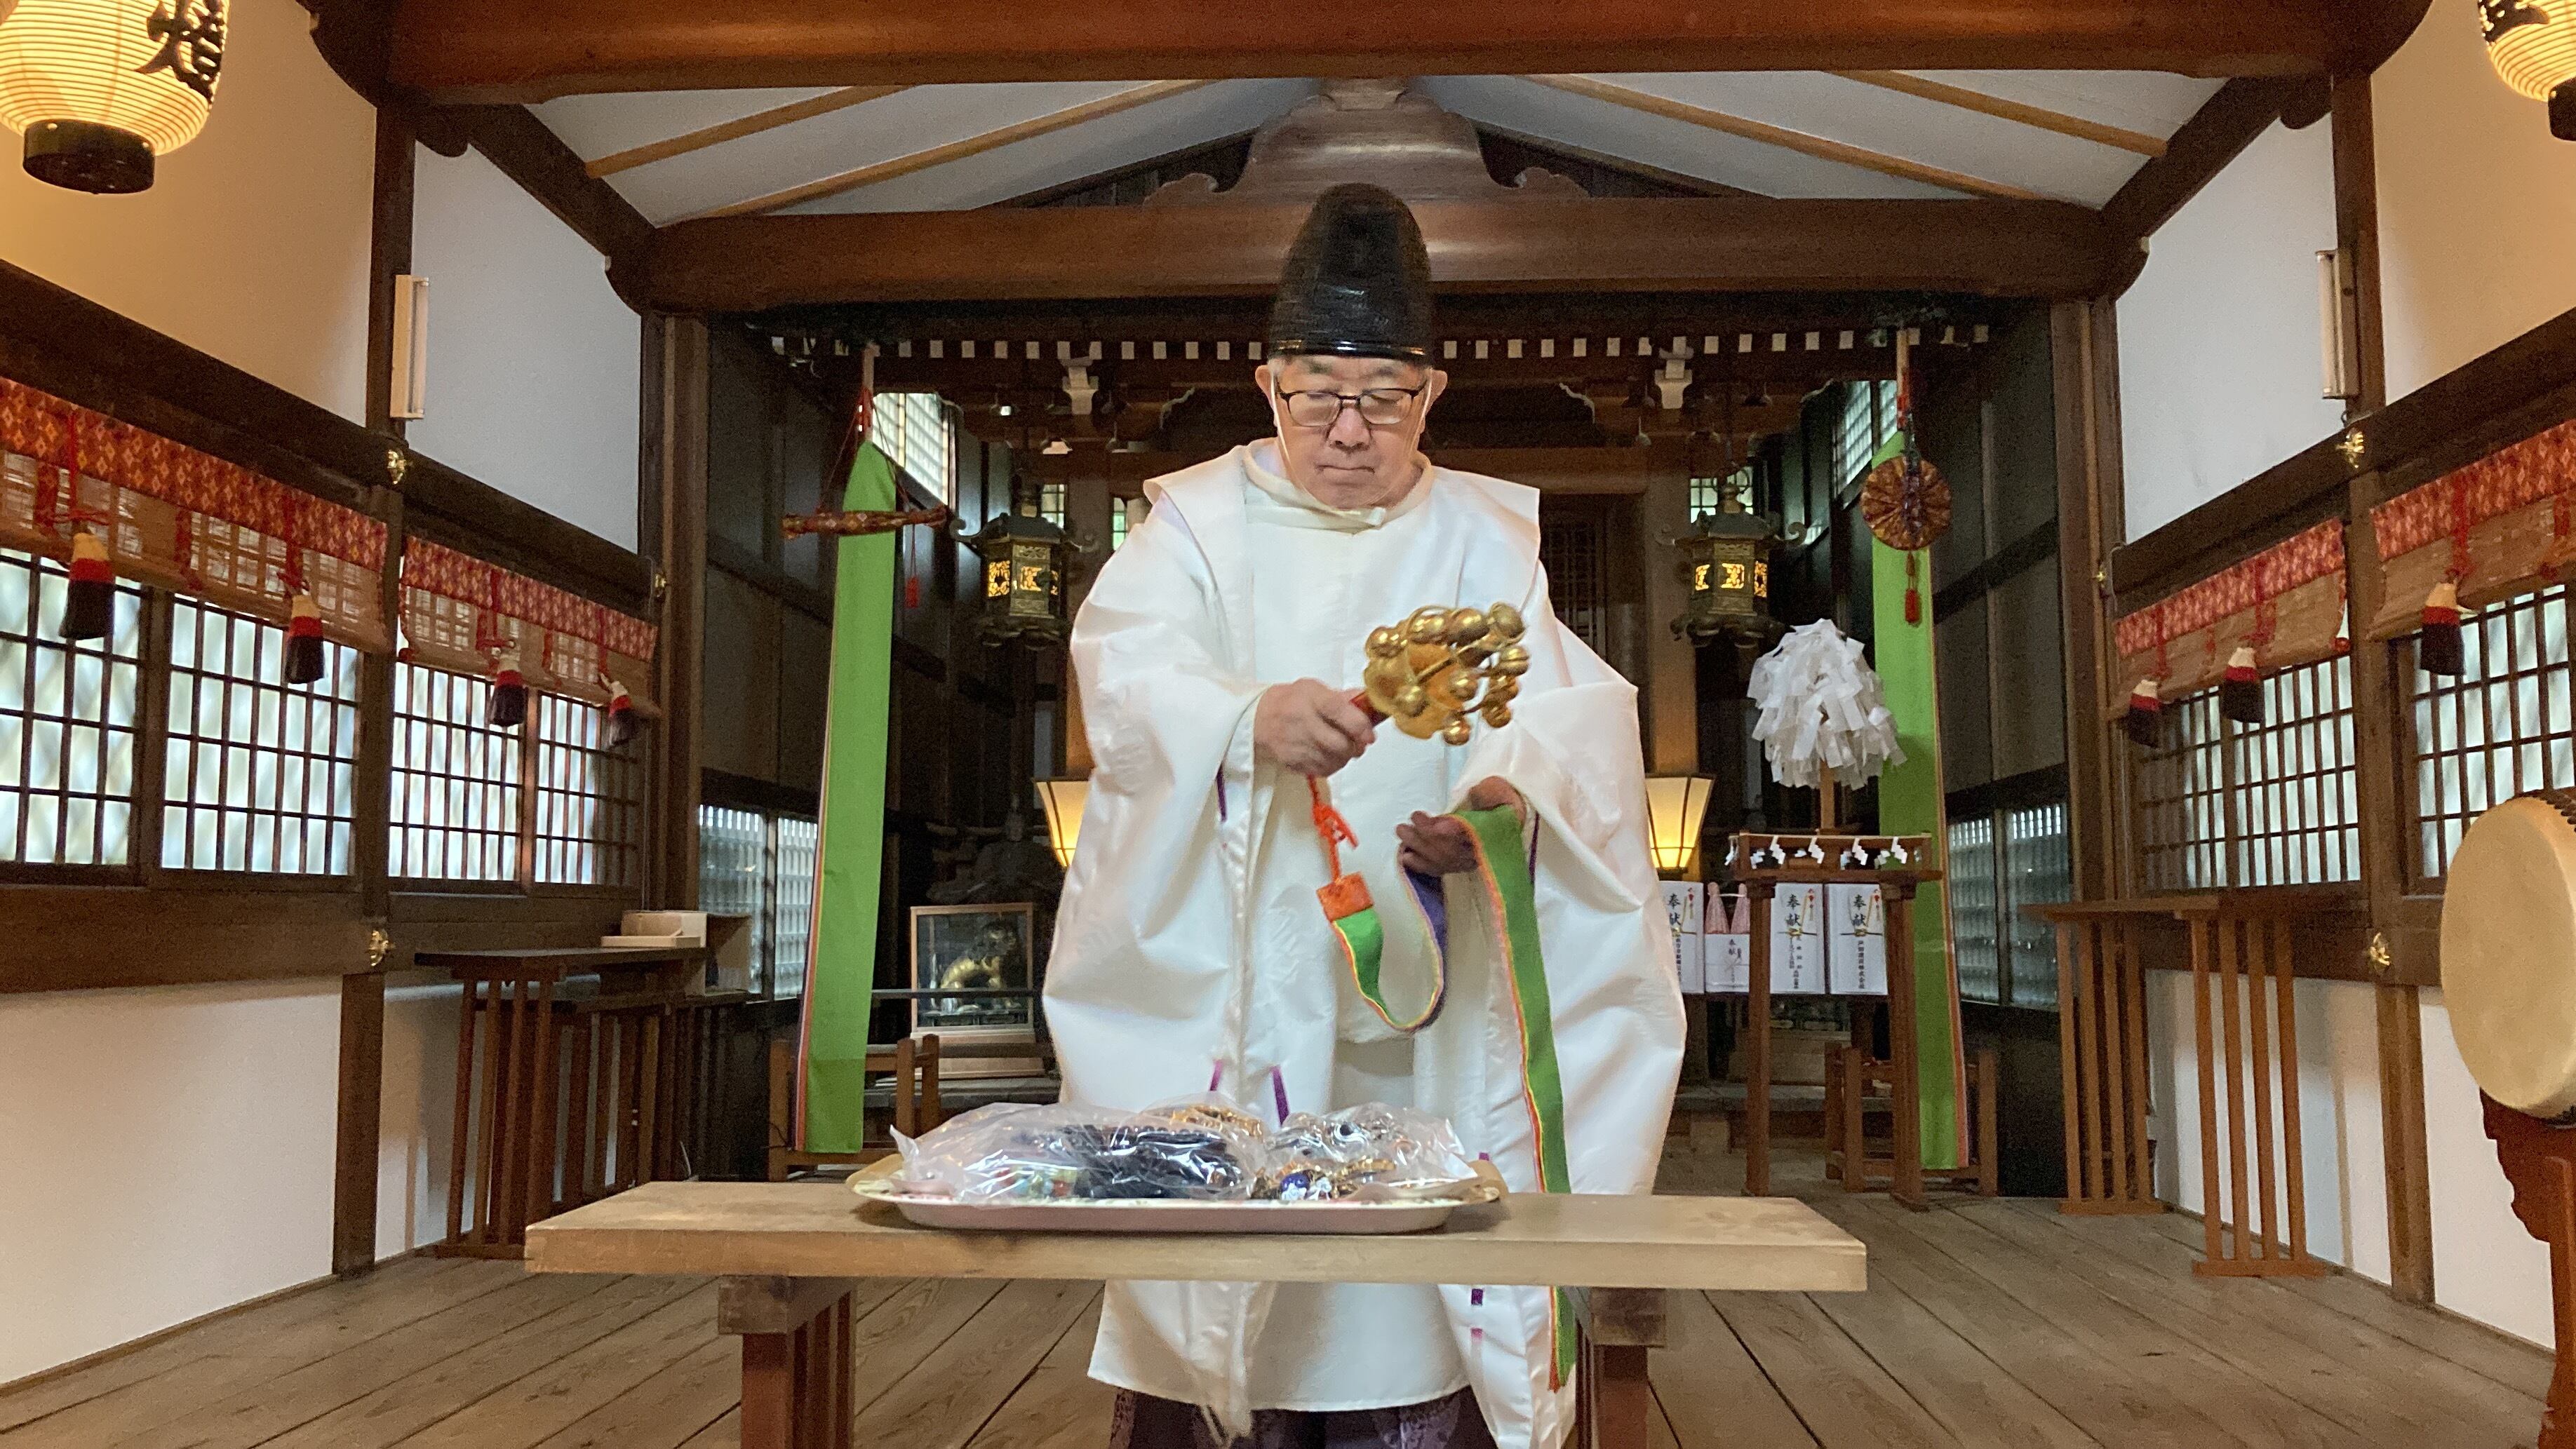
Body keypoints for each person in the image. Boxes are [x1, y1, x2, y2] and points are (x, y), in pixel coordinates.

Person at [1043, 183, 1684, 1449]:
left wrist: (1499, 815)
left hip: (1423, 1011)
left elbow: (1568, 723)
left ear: (1430, 394)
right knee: (1230, 1300)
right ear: (1267, 384)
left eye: (1384, 395)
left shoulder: (1486, 539)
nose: (1349, 429)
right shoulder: (1195, 530)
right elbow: (1125, 679)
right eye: (1317, 393)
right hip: (1238, 993)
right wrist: (1243, 721)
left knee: (1408, 1309)